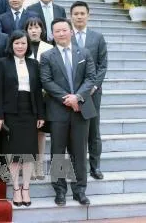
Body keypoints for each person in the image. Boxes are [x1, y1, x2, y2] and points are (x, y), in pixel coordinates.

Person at [40, 18, 96, 207]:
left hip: (81, 110)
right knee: (58, 152)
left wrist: (77, 97)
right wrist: (67, 98)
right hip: (58, 111)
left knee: (80, 152)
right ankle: (60, 190)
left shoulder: (84, 53)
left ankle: (80, 190)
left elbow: (91, 78)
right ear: (52, 34)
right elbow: (46, 81)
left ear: (71, 32)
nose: (61, 34)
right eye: (57, 31)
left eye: (64, 30)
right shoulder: (47, 56)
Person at [0, 30, 45, 207]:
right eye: (17, 43)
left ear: (27, 45)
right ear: (11, 45)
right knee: (15, 154)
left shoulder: (34, 64)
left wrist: (40, 114)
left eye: (23, 43)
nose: (20, 46)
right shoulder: (2, 63)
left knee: (29, 153)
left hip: (30, 111)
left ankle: (26, 188)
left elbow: (38, 91)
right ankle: (16, 188)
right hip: (11, 112)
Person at [70, 1, 108, 180]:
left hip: (92, 92)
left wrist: (93, 87)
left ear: (88, 15)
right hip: (70, 94)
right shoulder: (65, 36)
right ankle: (74, 167)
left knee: (93, 129)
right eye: (76, 13)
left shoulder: (97, 37)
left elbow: (102, 65)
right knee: (70, 131)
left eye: (82, 13)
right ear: (71, 16)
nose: (79, 16)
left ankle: (95, 166)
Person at [24, 17, 54, 179]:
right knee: (28, 132)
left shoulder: (49, 48)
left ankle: (39, 165)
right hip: (26, 97)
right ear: (26, 30)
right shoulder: (21, 46)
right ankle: (29, 166)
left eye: (37, 27)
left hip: (43, 97)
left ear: (42, 29)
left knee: (41, 133)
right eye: (30, 28)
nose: (34, 30)